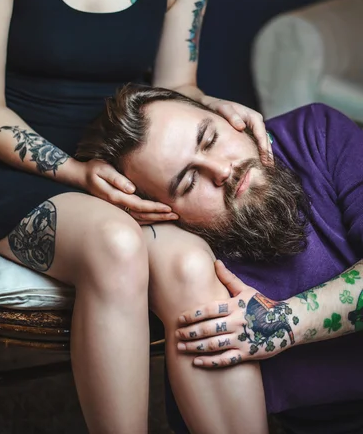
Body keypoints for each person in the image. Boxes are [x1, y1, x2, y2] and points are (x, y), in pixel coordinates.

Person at [0, 0, 273, 433]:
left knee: (187, 265)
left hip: (124, 163)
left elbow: (177, 85)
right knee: (115, 244)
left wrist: (218, 108)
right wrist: (76, 173)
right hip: (8, 163)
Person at [77, 84, 363, 434]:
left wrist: (283, 322)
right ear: (161, 212)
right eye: (188, 182)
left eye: (210, 139)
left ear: (230, 116)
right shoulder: (189, 264)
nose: (221, 171)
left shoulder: (316, 132)